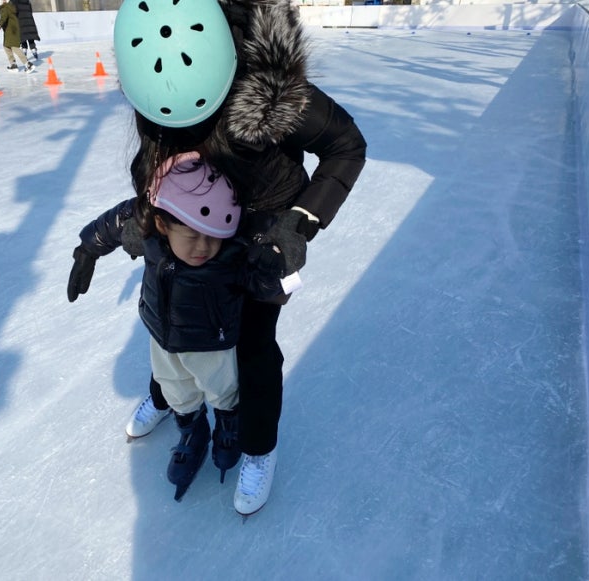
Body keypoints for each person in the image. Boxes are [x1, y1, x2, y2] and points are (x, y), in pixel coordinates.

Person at [68, 0, 367, 516]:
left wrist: (297, 226)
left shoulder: (269, 92)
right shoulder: (153, 65)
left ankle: (256, 446)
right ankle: (167, 396)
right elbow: (154, 171)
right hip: (188, 226)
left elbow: (346, 146)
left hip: (261, 239)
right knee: (172, 323)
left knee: (250, 345)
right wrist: (119, 232)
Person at [73, 152, 285, 502]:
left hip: (213, 344)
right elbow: (117, 219)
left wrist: (277, 279)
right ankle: (192, 430)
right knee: (175, 389)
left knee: (224, 389)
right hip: (163, 337)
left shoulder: (229, 254)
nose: (204, 248)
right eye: (192, 236)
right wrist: (88, 248)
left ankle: (228, 428)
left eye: (213, 237)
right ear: (162, 225)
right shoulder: (153, 236)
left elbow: (263, 273)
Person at [0, 0, 35, 73]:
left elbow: (3, 19)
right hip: (12, 30)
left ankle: (28, 64)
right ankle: (13, 65)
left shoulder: (5, 7)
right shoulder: (10, 6)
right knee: (6, 46)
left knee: (14, 47)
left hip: (11, 31)